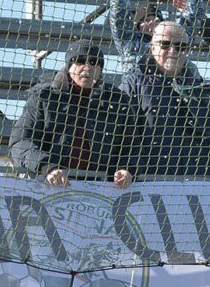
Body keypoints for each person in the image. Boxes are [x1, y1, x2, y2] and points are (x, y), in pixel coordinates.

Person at [9, 40, 144, 187]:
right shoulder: (44, 97)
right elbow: (19, 142)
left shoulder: (117, 101)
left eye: (94, 62)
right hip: (48, 187)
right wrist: (46, 167)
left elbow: (132, 145)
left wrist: (127, 169)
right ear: (69, 66)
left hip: (100, 191)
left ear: (100, 69)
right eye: (79, 61)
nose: (87, 67)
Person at [119, 21, 210, 179]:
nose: (173, 51)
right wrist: (128, 168)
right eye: (165, 45)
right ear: (152, 47)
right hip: (147, 183)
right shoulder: (134, 84)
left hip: (196, 186)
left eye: (180, 47)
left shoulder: (197, 88)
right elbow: (121, 132)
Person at [108, 0, 166, 74]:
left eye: (156, 20)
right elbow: (118, 12)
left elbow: (191, 22)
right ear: (137, 25)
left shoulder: (170, 45)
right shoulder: (128, 40)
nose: (152, 23)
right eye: (146, 19)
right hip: (134, 90)